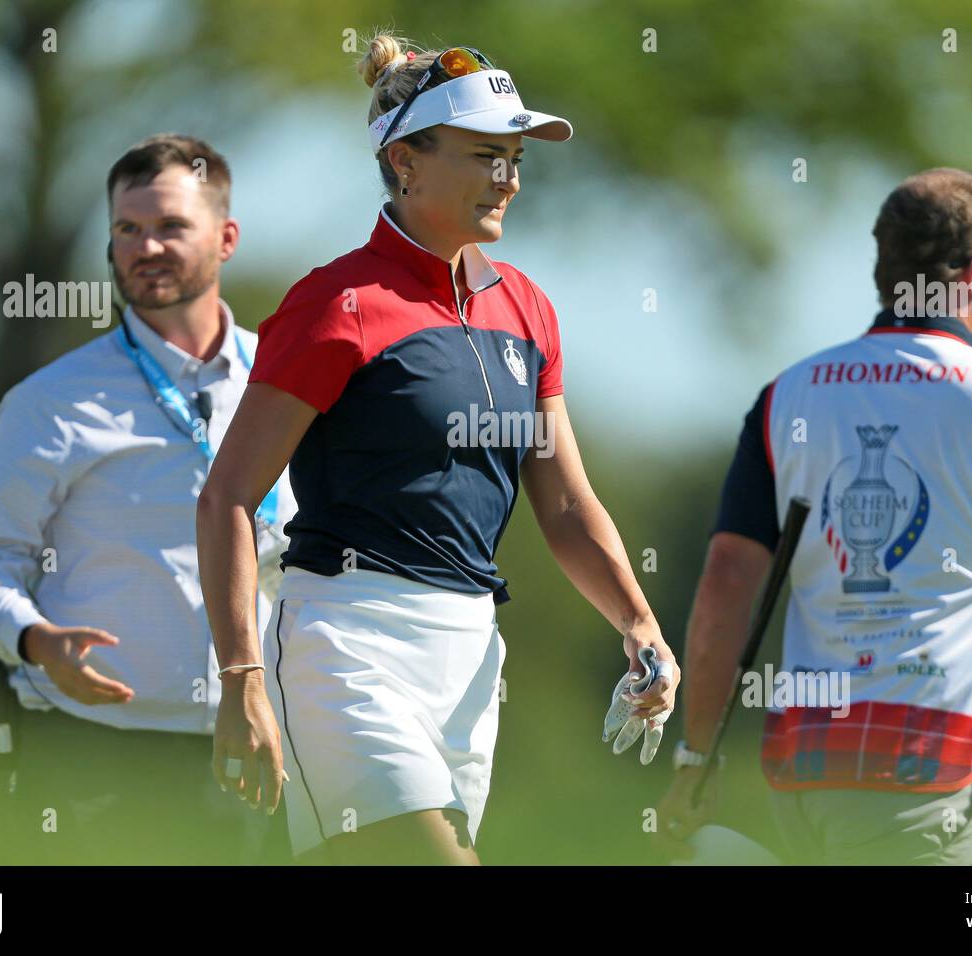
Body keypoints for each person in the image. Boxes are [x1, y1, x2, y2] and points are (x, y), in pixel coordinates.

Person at [196, 35, 679, 865]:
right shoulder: (336, 303)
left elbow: (564, 502)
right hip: (345, 643)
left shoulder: (527, 309)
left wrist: (640, 627)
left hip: (469, 657)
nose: (509, 178)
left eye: (516, 158)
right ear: (405, 161)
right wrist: (241, 677)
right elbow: (229, 496)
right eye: (486, 155)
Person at [656, 168, 972, 865]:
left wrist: (696, 755)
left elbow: (725, 584)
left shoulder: (788, 394)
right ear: (971, 271)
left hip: (806, 763)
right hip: (935, 760)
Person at [0, 134, 294, 864]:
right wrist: (37, 640)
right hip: (89, 757)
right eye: (127, 230)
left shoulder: (291, 385)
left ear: (226, 238)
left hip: (262, 747)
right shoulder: (51, 400)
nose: (146, 247)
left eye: (170, 226)